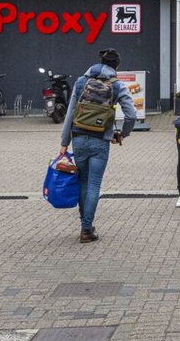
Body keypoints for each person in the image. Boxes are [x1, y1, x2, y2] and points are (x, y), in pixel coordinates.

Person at [58, 48, 137, 243]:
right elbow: (132, 115)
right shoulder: (117, 85)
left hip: (78, 137)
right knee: (93, 185)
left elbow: (70, 114)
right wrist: (122, 134)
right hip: (101, 140)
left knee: (82, 182)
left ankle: (85, 225)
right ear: (116, 66)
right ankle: (86, 229)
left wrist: (63, 143)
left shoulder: (81, 82)